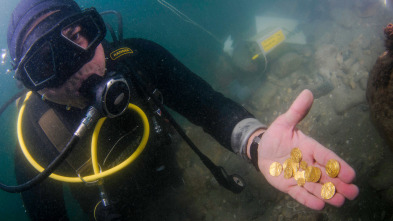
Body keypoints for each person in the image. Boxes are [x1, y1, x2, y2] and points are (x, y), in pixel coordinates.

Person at [6, 0, 359, 220]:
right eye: (44, 63)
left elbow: (204, 104)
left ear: (93, 30)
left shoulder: (137, 59)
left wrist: (257, 141)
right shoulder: (33, 139)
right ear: (30, 84)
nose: (76, 68)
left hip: (168, 175)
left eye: (76, 36)